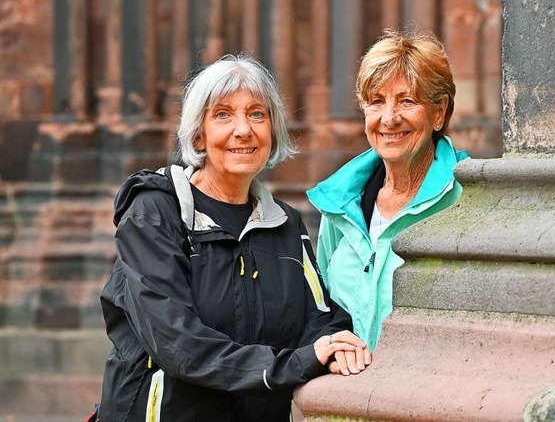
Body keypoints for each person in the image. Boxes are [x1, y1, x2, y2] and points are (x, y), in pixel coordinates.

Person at [97, 54, 370, 422]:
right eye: (223, 114)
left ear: (272, 131)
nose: (243, 129)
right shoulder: (154, 215)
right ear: (199, 134)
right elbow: (178, 344)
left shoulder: (284, 223)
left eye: (257, 114)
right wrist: (295, 364)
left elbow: (320, 318)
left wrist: (338, 346)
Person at [307, 30, 469, 350]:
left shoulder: (467, 198)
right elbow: (323, 311)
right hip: (346, 393)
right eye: (376, 101)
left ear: (438, 112)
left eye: (407, 101)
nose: (389, 118)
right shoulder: (340, 204)